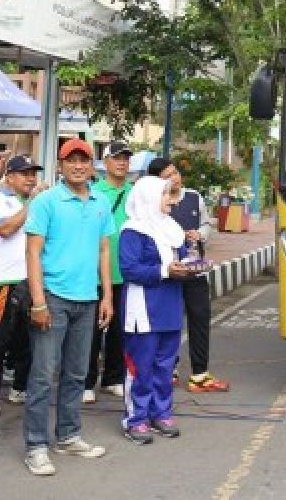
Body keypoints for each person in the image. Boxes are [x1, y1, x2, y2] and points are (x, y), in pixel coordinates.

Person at [22, 138, 114, 476]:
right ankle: (35, 445)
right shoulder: (46, 202)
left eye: (84, 160)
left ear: (92, 166)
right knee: (43, 375)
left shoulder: (101, 202)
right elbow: (32, 252)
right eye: (70, 160)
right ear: (60, 166)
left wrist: (107, 296)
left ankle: (69, 435)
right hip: (52, 297)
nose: (78, 166)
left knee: (77, 373)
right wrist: (38, 302)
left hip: (87, 299)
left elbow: (104, 251)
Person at [119, 175, 197, 444]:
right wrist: (165, 270)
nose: (171, 201)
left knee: (166, 365)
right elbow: (128, 269)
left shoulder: (172, 228)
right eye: (165, 195)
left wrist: (193, 265)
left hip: (170, 305)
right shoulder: (133, 230)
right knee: (141, 365)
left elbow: (183, 257)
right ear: (149, 198)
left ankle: (160, 412)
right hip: (144, 308)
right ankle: (136, 418)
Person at [146, 157, 228, 393]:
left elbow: (207, 223)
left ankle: (200, 374)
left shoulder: (194, 197)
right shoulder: (154, 203)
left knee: (200, 319)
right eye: (168, 175)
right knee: (169, 321)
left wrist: (200, 234)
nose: (175, 178)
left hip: (195, 269)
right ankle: (167, 369)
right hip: (168, 272)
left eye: (176, 172)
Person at [0, 155, 45, 417]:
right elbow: (5, 229)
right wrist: (33, 203)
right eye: (24, 173)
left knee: (30, 339)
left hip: (32, 280)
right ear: (10, 177)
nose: (30, 178)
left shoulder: (37, 203)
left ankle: (19, 386)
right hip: (3, 281)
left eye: (33, 173)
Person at [85, 141, 133, 403]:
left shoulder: (134, 192)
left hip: (124, 273)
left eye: (126, 158)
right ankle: (86, 381)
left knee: (120, 331)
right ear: (105, 163)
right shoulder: (94, 192)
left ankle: (114, 378)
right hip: (95, 274)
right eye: (117, 158)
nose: (122, 163)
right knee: (91, 333)